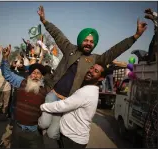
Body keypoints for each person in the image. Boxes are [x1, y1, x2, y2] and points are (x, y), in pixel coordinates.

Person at [37, 5, 147, 141]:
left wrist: (135, 36)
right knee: (43, 123)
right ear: (81, 40)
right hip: (53, 95)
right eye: (86, 40)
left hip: (67, 102)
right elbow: (57, 34)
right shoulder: (69, 49)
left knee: (53, 133)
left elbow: (114, 51)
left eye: (91, 42)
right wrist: (44, 21)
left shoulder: (95, 59)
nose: (89, 43)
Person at [40, 63, 107, 148]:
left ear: (101, 78)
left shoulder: (86, 92)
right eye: (91, 68)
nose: (91, 71)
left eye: (96, 71)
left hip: (72, 140)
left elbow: (62, 106)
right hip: (72, 137)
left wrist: (42, 107)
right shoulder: (89, 90)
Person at [0, 46, 48, 148]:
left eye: (38, 73)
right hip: (18, 129)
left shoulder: (45, 90)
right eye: (33, 73)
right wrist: (5, 58)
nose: (35, 76)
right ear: (29, 75)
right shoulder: (21, 82)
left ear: (42, 76)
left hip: (35, 132)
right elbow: (7, 74)